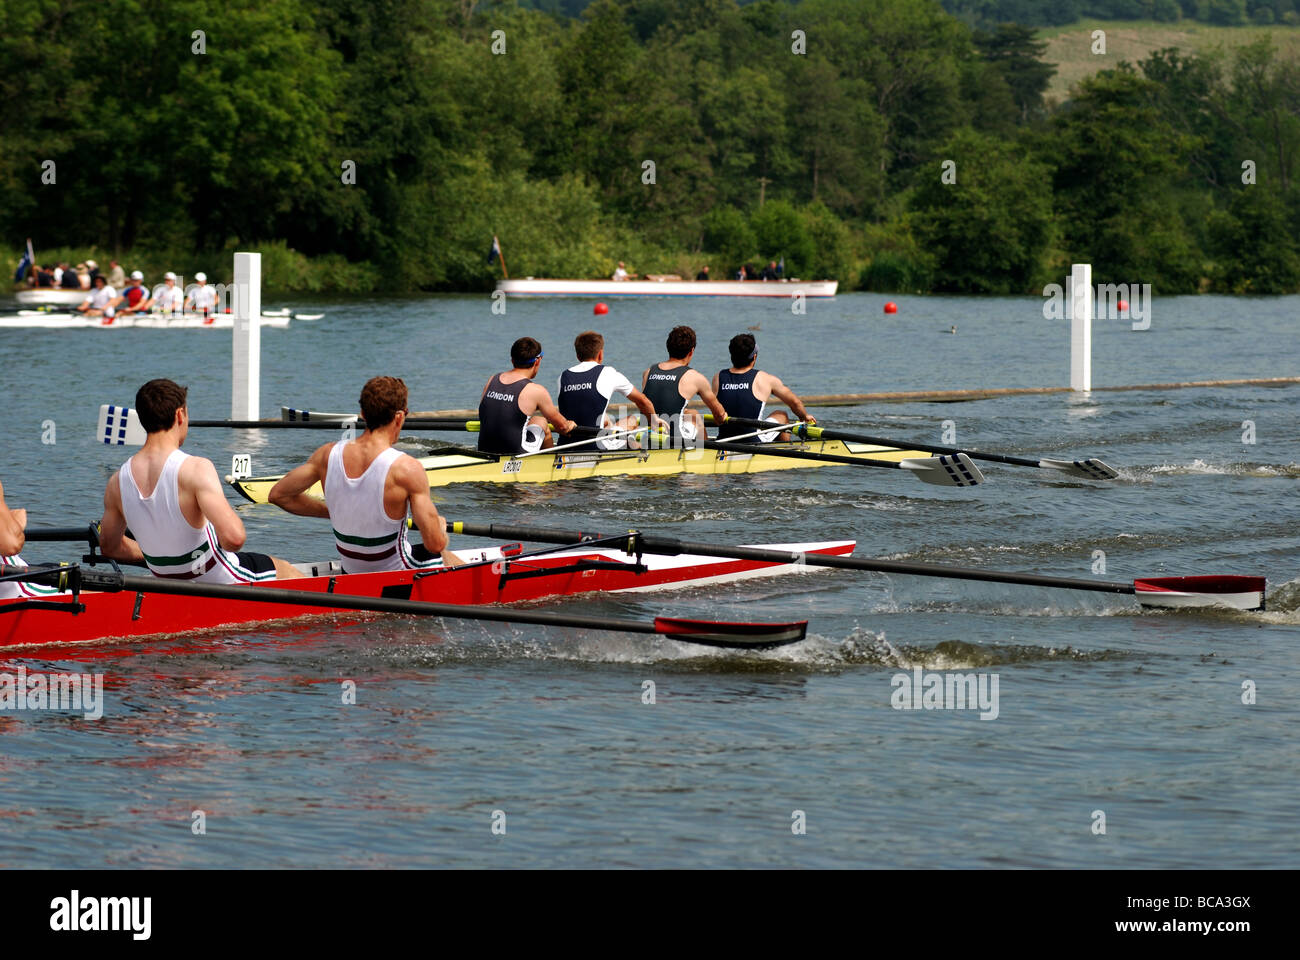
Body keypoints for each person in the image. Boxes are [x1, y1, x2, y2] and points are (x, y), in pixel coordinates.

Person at [99, 379, 301, 581]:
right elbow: (234, 538)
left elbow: (110, 547)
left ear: (142, 419)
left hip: (165, 580)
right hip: (221, 577)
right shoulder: (195, 469)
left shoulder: (116, 483)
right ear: (180, 415)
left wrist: (159, 555)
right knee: (286, 570)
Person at [268, 377, 462, 573]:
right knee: (445, 555)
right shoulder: (407, 469)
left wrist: (334, 512)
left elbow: (278, 495)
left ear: (363, 414)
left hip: (351, 573)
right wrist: (440, 529)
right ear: (399, 417)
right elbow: (434, 544)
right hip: (399, 573)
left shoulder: (326, 456)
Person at [558, 331, 660, 451]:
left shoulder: (563, 376)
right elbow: (642, 401)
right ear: (600, 354)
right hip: (595, 446)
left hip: (565, 445)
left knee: (620, 420)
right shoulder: (608, 373)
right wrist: (655, 422)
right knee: (634, 427)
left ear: (578, 356)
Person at [478, 337, 576, 455]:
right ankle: (549, 465)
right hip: (515, 454)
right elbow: (562, 427)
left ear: (512, 360)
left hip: (484, 450)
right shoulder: (536, 391)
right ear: (537, 361)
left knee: (535, 419)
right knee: (542, 423)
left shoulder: (492, 379)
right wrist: (570, 424)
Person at [712, 333, 814, 443]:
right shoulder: (765, 379)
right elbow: (795, 403)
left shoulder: (718, 377)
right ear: (754, 356)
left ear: (731, 355)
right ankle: (785, 451)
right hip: (754, 441)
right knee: (781, 415)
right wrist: (804, 417)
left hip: (724, 441)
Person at [641, 325, 727, 445]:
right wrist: (722, 417)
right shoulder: (695, 377)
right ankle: (707, 454)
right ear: (691, 351)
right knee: (695, 416)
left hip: (649, 436)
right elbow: (719, 415)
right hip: (673, 440)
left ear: (668, 347)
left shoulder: (648, 372)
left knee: (689, 413)